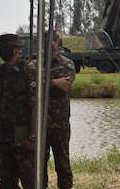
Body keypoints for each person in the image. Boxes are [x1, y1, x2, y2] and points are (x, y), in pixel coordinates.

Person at [0, 34, 36, 189]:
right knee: (6, 180)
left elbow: (35, 106)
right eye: (2, 47)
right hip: (2, 133)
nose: (3, 51)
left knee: (28, 178)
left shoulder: (28, 71)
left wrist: (32, 136)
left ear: (17, 50)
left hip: (22, 131)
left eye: (7, 47)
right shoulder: (0, 71)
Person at [44, 30, 76, 189]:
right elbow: (31, 83)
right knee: (38, 165)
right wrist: (54, 82)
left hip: (60, 124)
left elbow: (66, 85)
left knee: (62, 164)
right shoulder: (35, 64)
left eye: (54, 41)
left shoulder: (67, 64)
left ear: (58, 43)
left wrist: (44, 81)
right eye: (47, 41)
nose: (51, 45)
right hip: (39, 124)